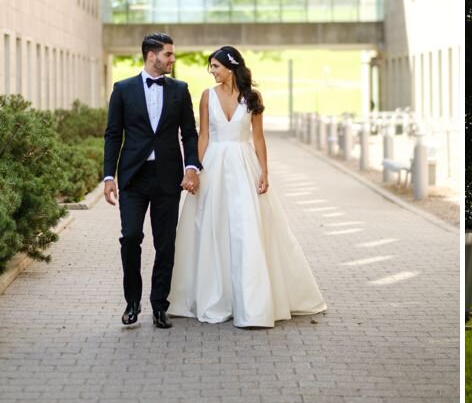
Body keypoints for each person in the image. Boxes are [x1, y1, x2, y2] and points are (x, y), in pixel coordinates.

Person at [170, 46, 326, 329]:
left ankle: (252, 304)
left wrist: (264, 171)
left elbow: (259, 138)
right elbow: (203, 136)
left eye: (216, 66)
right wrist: (194, 169)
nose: (212, 71)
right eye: (211, 67)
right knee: (212, 228)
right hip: (214, 165)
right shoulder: (207, 96)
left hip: (244, 165)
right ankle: (216, 298)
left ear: (231, 67)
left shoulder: (253, 98)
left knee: (246, 228)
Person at [100, 32, 201, 329]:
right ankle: (132, 301)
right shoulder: (123, 89)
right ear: (151, 55)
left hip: (168, 178)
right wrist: (109, 176)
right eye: (168, 54)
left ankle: (159, 305)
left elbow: (189, 133)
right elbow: (113, 134)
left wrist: (192, 166)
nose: (172, 59)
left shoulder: (180, 90)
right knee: (130, 237)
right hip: (133, 177)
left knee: (165, 244)